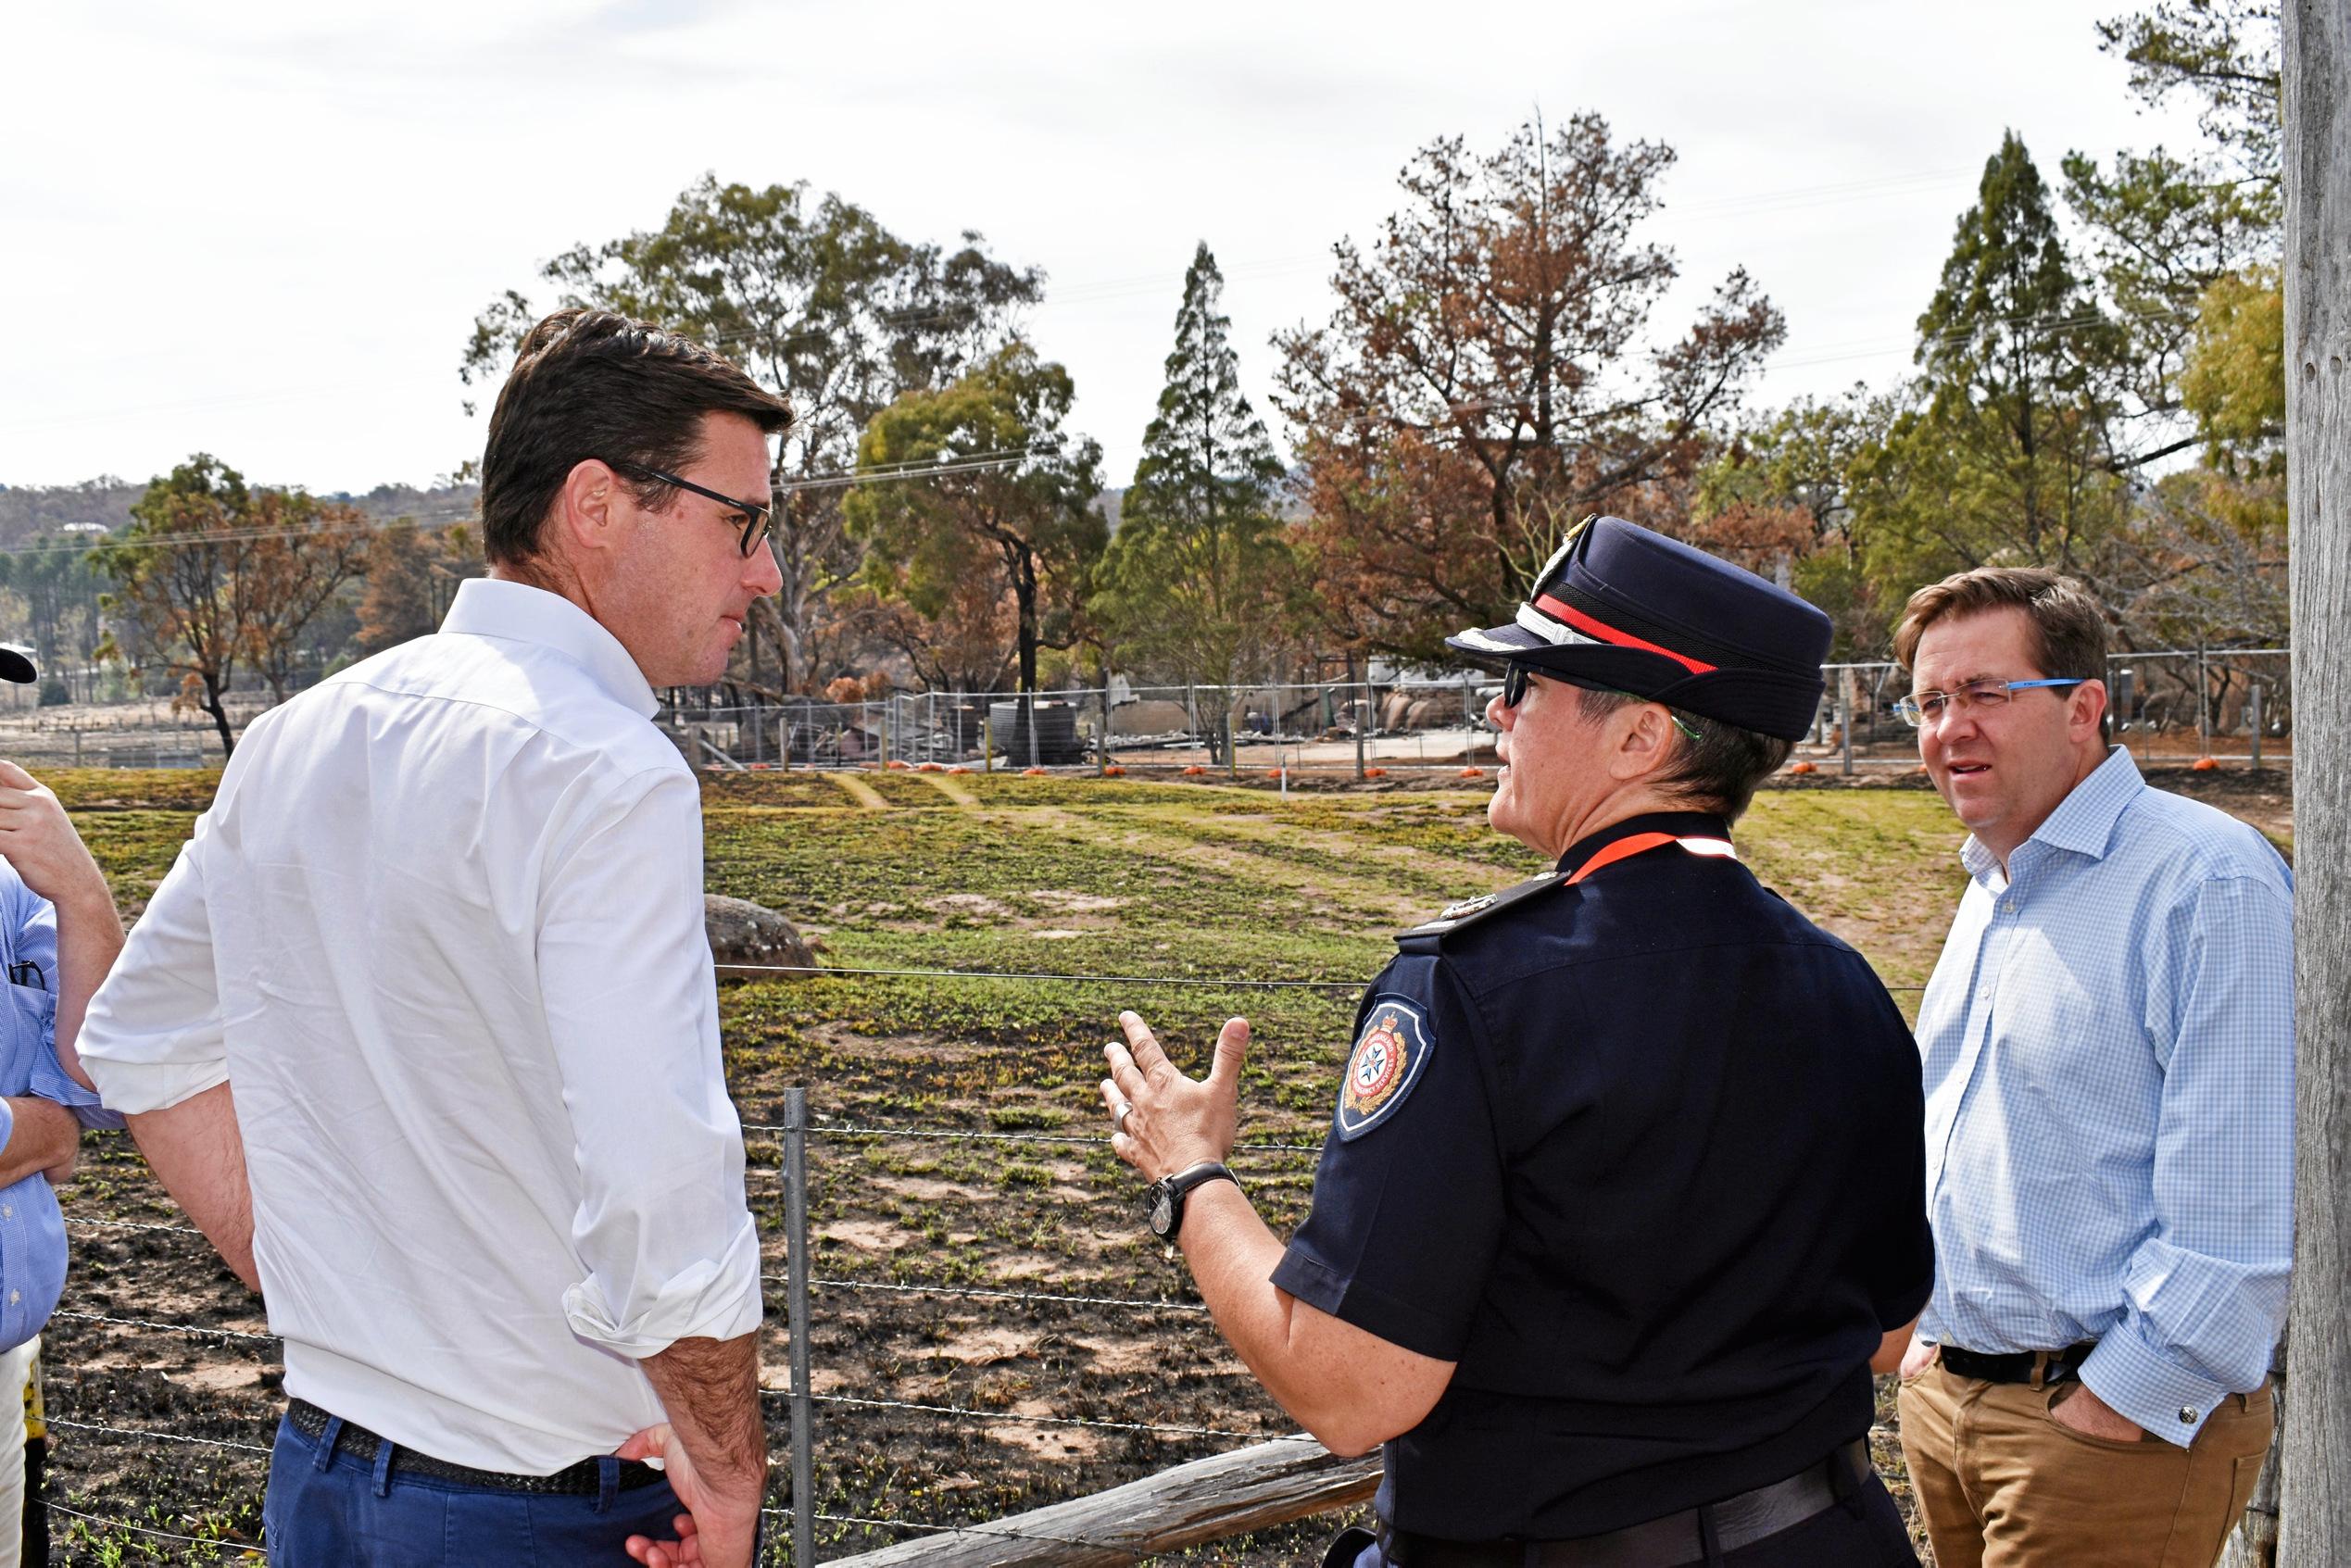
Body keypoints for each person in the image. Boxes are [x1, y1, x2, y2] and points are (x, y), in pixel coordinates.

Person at [76, 308, 792, 1568]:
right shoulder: (608, 770)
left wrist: (310, 1278)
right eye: (739, 522)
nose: (762, 572)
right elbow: (657, 1191)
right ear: (596, 507)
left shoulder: (298, 737)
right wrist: (729, 1483)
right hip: (547, 1515)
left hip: (326, 1481)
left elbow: (141, 1038)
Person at [1103, 517, 1930, 1567]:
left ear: (1641, 737)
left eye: (1528, 683)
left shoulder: (1474, 988)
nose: (1498, 709)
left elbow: (1355, 1389)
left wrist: (1193, 1175)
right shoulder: (1849, 988)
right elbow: (1890, 1334)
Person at [1887, 567, 2292, 1568]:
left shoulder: (2206, 880)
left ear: (2083, 709)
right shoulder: (1996, 882)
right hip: (1953, 1403)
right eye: (1931, 702)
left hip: (2104, 1432)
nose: (1950, 729)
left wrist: (2117, 1400)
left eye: (1985, 693)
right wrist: (1931, 1351)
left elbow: (2234, 1211)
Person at [0, 649, 131, 1568]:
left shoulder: (11, 882)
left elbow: (104, 1074)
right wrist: (39, 1130)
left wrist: (83, 895)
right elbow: (63, 1117)